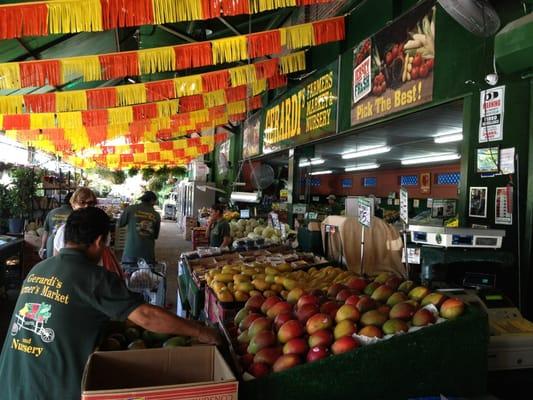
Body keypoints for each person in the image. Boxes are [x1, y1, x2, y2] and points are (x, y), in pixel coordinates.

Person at [0, 208, 219, 400]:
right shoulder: (95, 277)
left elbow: (67, 315)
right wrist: (200, 332)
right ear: (99, 241)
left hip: (11, 381)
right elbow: (147, 316)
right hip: (54, 389)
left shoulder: (38, 269)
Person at [118, 191, 161, 264]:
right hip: (148, 254)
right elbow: (155, 236)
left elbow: (120, 223)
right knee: (146, 275)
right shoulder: (156, 215)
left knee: (127, 274)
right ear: (152, 201)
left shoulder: (130, 209)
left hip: (130, 252)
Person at [52, 187, 98, 256]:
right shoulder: (63, 230)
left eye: (90, 203)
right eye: (82, 202)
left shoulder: (99, 228)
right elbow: (56, 257)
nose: (86, 206)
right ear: (73, 205)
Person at [39, 192, 73, 259]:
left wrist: (42, 247)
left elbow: (45, 232)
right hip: (66, 248)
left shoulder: (52, 212)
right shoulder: (75, 214)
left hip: (51, 245)